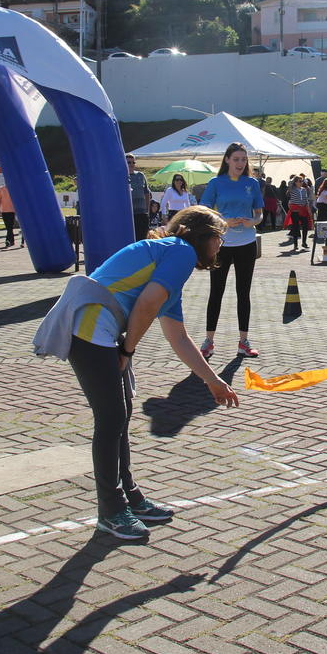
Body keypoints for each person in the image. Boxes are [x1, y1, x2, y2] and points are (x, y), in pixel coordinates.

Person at [33, 205, 240, 540]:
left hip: (99, 329)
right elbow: (144, 306)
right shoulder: (180, 252)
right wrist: (127, 350)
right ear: (202, 236)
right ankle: (111, 511)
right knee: (111, 417)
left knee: (121, 414)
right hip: (89, 327)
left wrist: (213, 381)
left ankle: (130, 498)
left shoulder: (170, 258)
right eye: (219, 239)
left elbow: (179, 337)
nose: (220, 247)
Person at [199, 142, 264, 360]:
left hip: (246, 243)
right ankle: (208, 341)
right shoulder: (216, 182)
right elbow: (205, 212)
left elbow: (260, 215)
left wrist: (252, 222)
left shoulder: (252, 183)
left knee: (243, 293)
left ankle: (243, 342)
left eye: (243, 159)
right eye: (236, 159)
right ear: (227, 159)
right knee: (216, 292)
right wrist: (223, 220)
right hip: (221, 244)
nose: (240, 163)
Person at [126, 154, 151, 242]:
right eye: (129, 162)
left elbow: (147, 193)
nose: (131, 164)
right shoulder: (121, 176)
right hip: (128, 214)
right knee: (130, 240)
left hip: (142, 213)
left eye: (133, 162)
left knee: (142, 239)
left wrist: (147, 210)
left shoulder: (141, 175)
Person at [285, 175, 313, 249]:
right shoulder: (292, 189)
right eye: (300, 181)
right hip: (295, 210)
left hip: (303, 209)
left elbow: (306, 199)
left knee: (305, 226)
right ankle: (295, 244)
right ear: (295, 182)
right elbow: (290, 183)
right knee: (295, 227)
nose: (301, 182)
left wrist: (308, 209)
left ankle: (304, 242)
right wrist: (294, 179)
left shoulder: (304, 189)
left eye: (302, 181)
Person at [0, 182, 17, 248]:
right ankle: (12, 240)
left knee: (10, 227)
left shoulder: (14, 189)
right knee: (8, 227)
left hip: (12, 210)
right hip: (4, 210)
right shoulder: (1, 189)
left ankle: (7, 241)